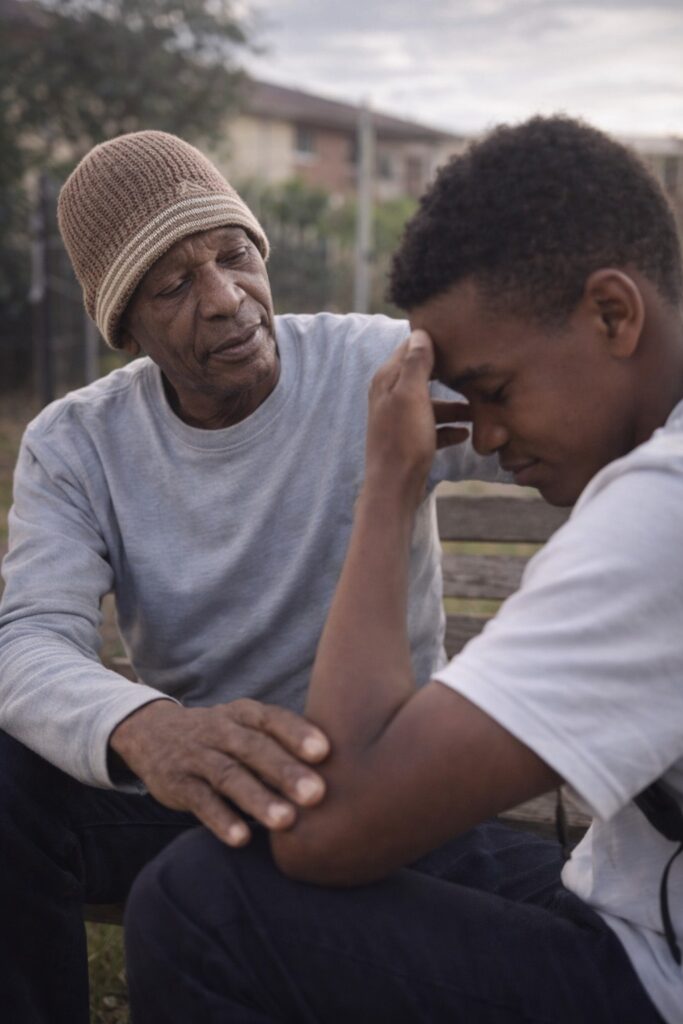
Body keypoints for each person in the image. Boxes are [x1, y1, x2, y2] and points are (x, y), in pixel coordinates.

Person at [124, 116, 683, 1024]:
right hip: (619, 904)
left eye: (492, 391)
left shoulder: (662, 505)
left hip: (649, 976)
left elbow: (331, 827)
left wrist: (386, 478)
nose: (488, 437)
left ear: (613, 314)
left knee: (202, 904)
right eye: (173, 285)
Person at [0, 130, 505, 1022]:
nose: (227, 300)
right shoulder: (77, 445)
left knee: (568, 934)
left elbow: (561, 423)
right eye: (173, 285)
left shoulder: (375, 369)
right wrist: (151, 731)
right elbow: (28, 638)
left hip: (384, 784)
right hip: (201, 791)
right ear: (125, 326)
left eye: (234, 256)